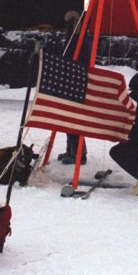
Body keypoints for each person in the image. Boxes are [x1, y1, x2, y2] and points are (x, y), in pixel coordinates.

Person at [58, 10, 89, 165]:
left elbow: (76, 58)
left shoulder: (79, 40)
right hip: (72, 80)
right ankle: (72, 150)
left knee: (73, 119)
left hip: (76, 82)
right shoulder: (75, 39)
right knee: (69, 118)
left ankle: (78, 153)